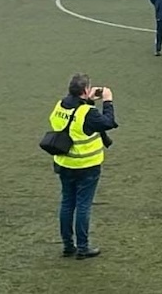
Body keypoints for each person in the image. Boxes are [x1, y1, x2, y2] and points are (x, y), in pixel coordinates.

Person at [48, 73, 118, 259]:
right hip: (86, 166)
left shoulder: (59, 105)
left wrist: (88, 101)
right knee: (83, 206)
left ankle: (68, 245)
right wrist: (107, 101)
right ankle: (83, 247)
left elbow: (75, 120)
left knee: (67, 203)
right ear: (86, 90)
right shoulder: (87, 113)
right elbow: (108, 122)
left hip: (64, 163)